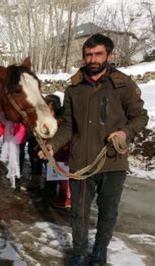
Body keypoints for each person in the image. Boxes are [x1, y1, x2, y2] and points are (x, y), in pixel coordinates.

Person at [39, 34, 148, 265]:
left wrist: (124, 133)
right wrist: (52, 145)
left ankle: (99, 251)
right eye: (88, 54)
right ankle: (78, 253)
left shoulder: (123, 84)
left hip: (113, 161)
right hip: (81, 162)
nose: (93, 59)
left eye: (98, 54)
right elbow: (68, 126)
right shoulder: (74, 88)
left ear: (109, 55)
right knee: (78, 213)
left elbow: (140, 117)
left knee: (108, 212)